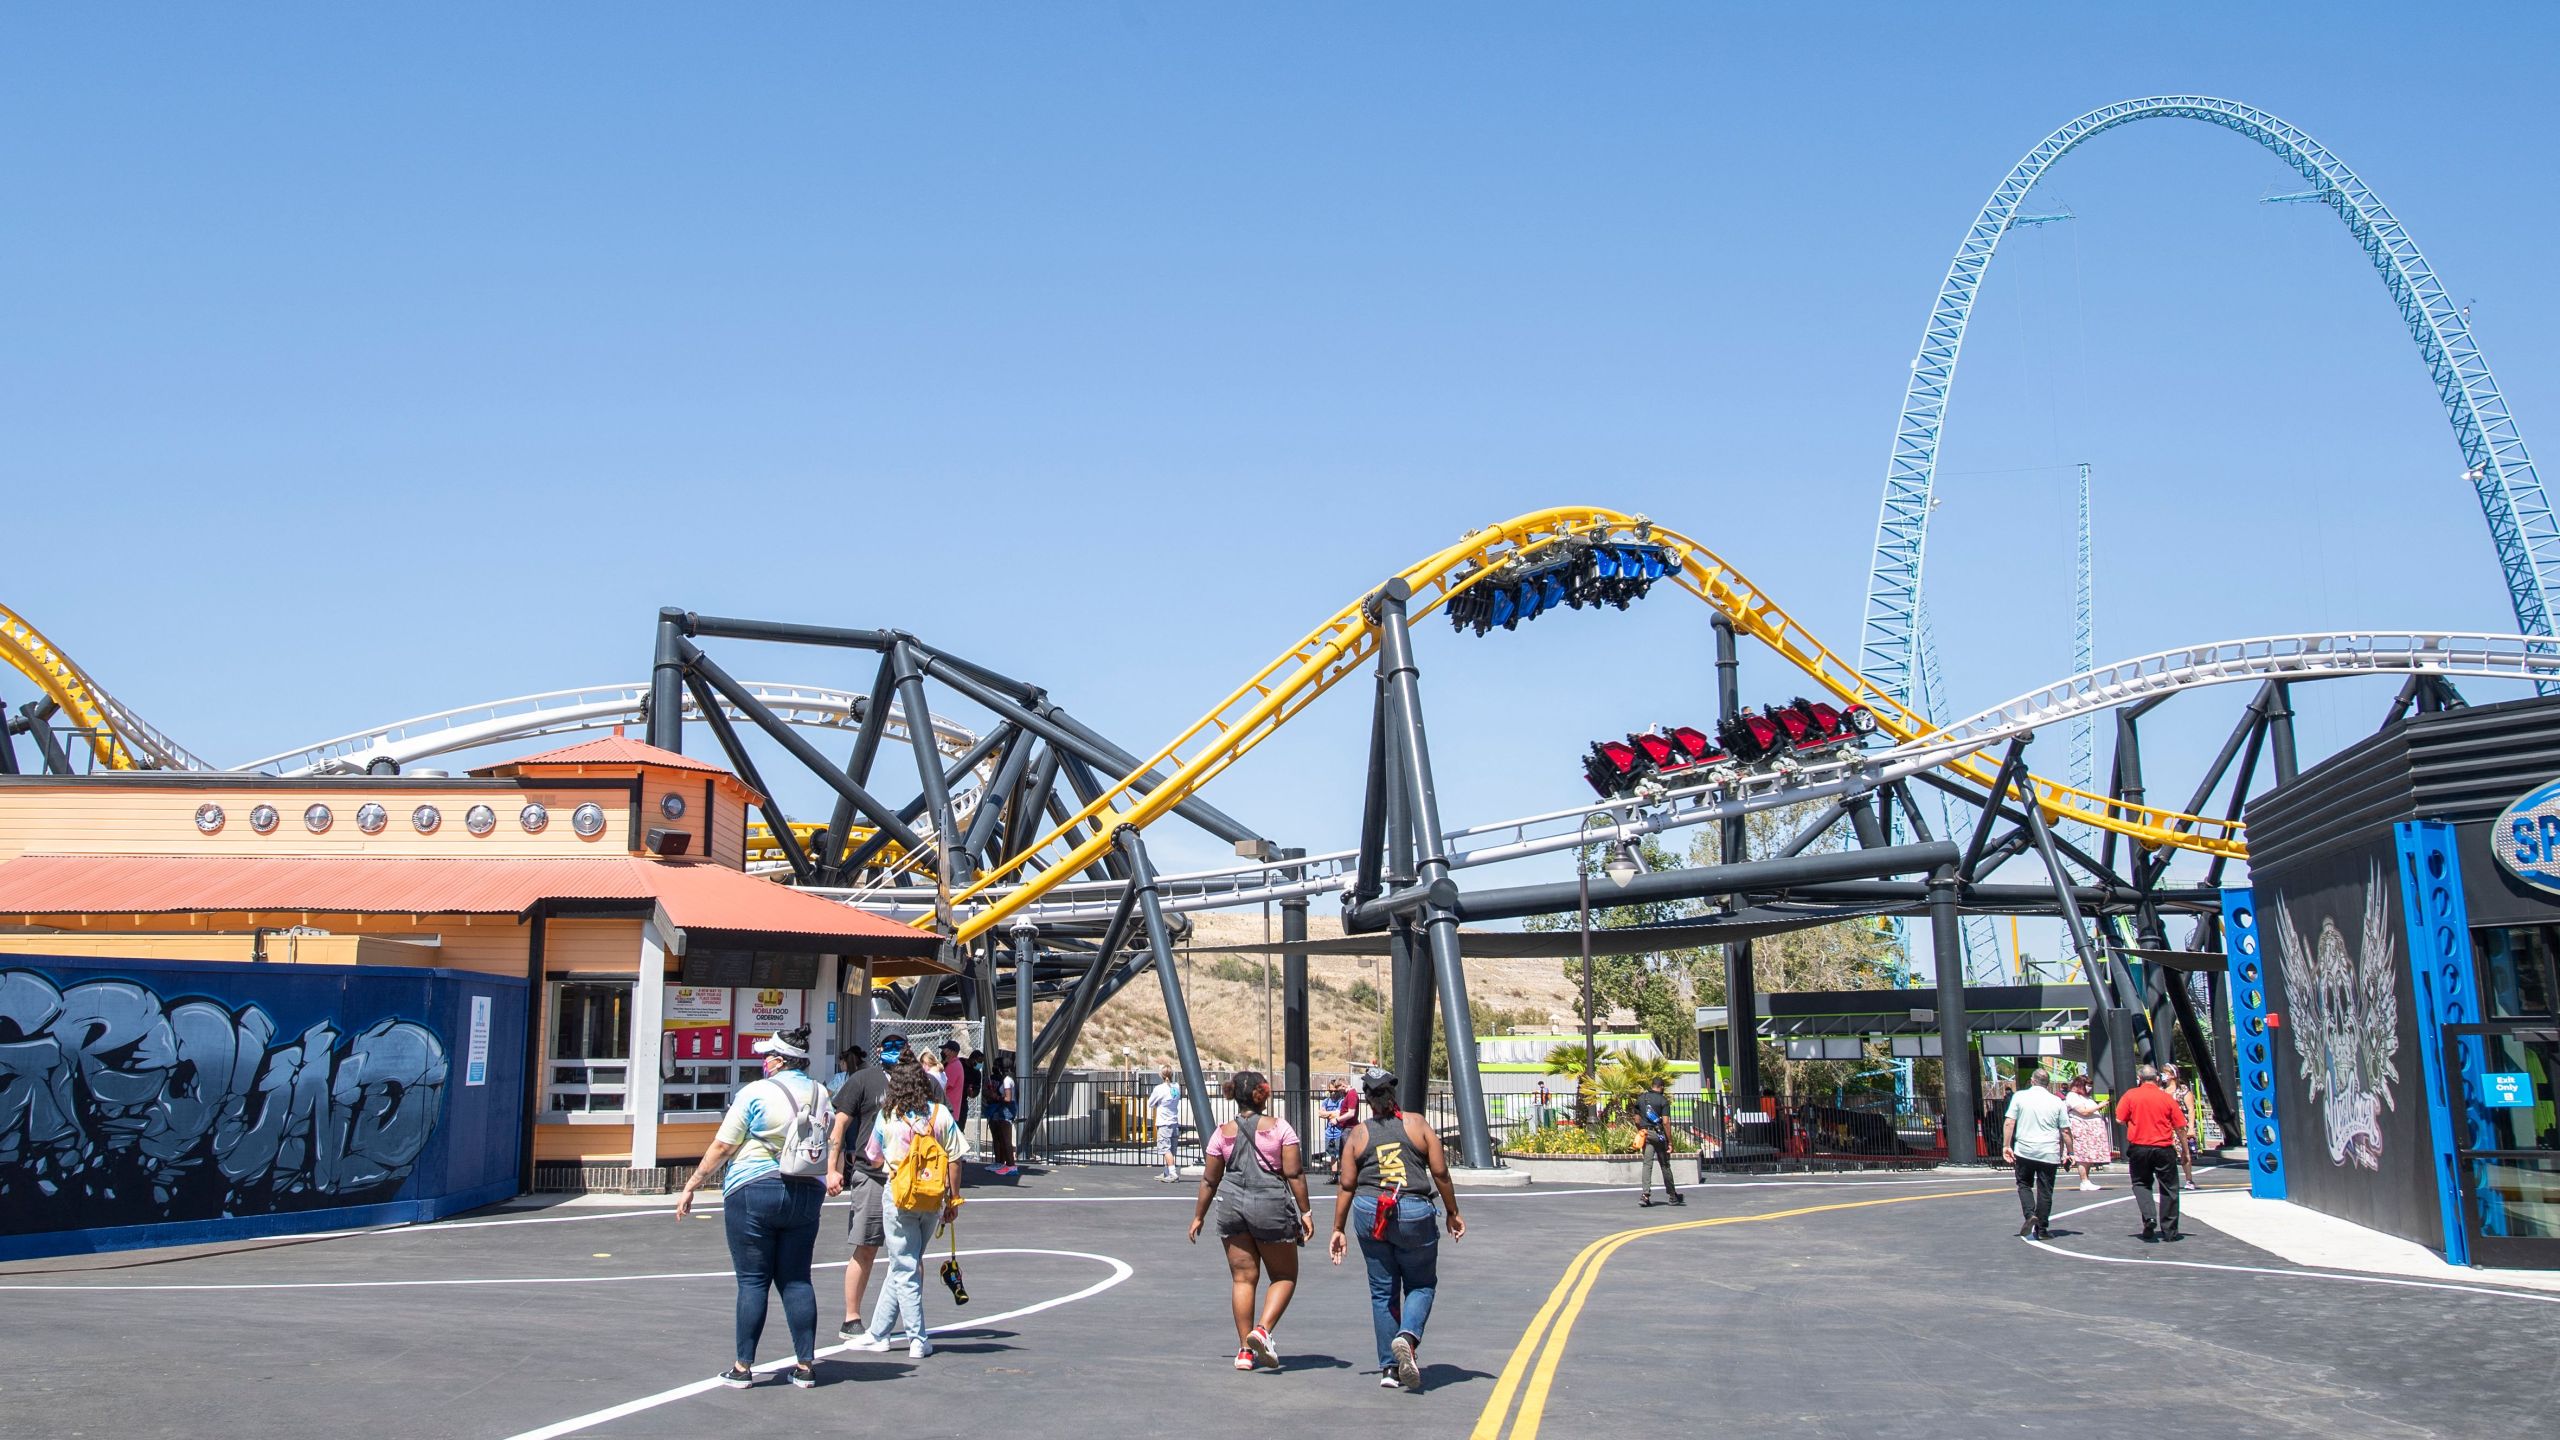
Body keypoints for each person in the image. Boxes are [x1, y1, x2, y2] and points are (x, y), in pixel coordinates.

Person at [674, 1026, 828, 1391]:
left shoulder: (755, 1092)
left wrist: (693, 1183)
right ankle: (805, 1365)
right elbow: (830, 1137)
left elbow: (724, 1146)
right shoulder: (822, 1093)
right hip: (806, 1190)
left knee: (753, 1280)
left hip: (753, 1187)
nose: (763, 1061)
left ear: (777, 1060)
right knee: (797, 1278)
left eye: (766, 1056)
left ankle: (743, 1367)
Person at [1329, 1067, 1465, 1392]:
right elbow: (1441, 1173)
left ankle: (1389, 1369)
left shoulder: (1358, 1134)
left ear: (1367, 1098)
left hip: (1369, 1211)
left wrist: (1338, 1228)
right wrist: (1452, 1212)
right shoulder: (1417, 1124)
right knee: (1420, 1284)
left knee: (1382, 1290)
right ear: (1393, 1094)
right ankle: (1406, 1336)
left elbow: (1347, 1185)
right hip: (1413, 1212)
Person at [1188, 1070, 1315, 1371]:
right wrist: (1305, 1211)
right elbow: (1294, 1173)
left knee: (1243, 1278)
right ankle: (1262, 1329)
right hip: (1269, 1203)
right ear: (1263, 1094)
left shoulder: (1222, 1132)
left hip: (1231, 1204)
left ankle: (1245, 1350)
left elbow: (1209, 1179)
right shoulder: (1280, 1128)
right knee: (1284, 1276)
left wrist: (1198, 1216)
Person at [844, 1055, 969, 1359]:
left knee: (904, 1265)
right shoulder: (940, 1114)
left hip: (899, 1196)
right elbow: (955, 1157)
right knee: (907, 1262)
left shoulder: (887, 1117)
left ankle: (917, 1337)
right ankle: (880, 1332)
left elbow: (872, 1156)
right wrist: (952, 1198)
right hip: (932, 1197)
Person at [825, 1040, 893, 1344]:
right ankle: (851, 1317)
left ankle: (907, 1320)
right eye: (891, 1047)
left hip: (910, 1179)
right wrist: (832, 1169)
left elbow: (941, 1127)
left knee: (909, 1253)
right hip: (872, 1175)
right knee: (866, 1245)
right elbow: (839, 1125)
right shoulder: (864, 1080)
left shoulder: (923, 1082)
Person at [2115, 1063, 2191, 1242]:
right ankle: (2170, 1231)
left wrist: (2133, 1121)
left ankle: (2149, 1217)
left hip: (2139, 1146)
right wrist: (2185, 1150)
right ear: (2157, 1079)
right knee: (2169, 1188)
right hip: (2163, 1147)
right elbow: (2180, 1126)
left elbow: (2119, 1118)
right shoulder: (2166, 1098)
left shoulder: (2131, 1095)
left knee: (2141, 1183)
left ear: (2139, 1079)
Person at [2001, 1068, 2068, 1241]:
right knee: (2045, 1190)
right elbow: (2065, 1130)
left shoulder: (2020, 1097)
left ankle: (2030, 1214)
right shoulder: (2057, 1101)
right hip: (2049, 1151)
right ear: (2047, 1083)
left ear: (2032, 1081)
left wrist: (2006, 1145)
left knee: (2024, 1184)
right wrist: (2071, 1151)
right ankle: (2043, 1229)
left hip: (2025, 1150)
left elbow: (2009, 1122)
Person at [1633, 1076, 1684, 1207]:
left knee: (1647, 1164)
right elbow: (1666, 1122)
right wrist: (1670, 1142)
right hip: (1658, 1135)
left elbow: (1637, 1120)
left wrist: (1641, 1130)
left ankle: (1645, 1195)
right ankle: (1672, 1196)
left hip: (1646, 1134)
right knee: (1664, 1164)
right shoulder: (1662, 1100)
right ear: (1661, 1087)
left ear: (1652, 1085)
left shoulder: (1641, 1098)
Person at [2063, 1073, 2113, 1191]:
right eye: (2087, 1085)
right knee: (2083, 1157)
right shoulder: (2073, 1096)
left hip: (2091, 1132)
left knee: (2088, 1157)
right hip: (2082, 1130)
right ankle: (2084, 1180)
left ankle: (2087, 1180)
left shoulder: (2086, 1097)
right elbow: (2083, 1111)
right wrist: (2099, 1106)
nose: (2089, 1088)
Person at [2160, 1062, 2200, 1188]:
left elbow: (2191, 1109)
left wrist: (2191, 1127)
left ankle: (2189, 1179)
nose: (2163, 1075)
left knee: (2185, 1152)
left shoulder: (2183, 1090)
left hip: (2181, 1126)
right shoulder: (2162, 1091)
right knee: (2168, 1153)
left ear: (2172, 1075)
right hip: (2166, 1125)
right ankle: (2170, 1180)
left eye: (2166, 1073)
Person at [982, 1051, 1019, 1175]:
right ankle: (1002, 1163)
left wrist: (996, 1097)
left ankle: (1011, 1165)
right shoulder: (1005, 1079)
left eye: (996, 1066)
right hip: (1002, 1109)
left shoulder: (1007, 1080)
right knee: (999, 1138)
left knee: (1006, 1140)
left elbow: (1008, 1098)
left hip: (1006, 1110)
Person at [1149, 1066, 1186, 1182]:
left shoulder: (1159, 1089)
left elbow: (1150, 1103)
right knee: (1171, 1149)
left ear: (1161, 1075)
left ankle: (1173, 1174)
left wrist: (1157, 1104)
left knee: (1165, 1149)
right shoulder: (1176, 1087)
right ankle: (1166, 1172)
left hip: (1164, 1123)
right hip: (1174, 1122)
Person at [1319, 1079, 1350, 1165]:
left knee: (1342, 1155)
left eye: (1335, 1091)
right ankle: (1334, 1175)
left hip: (1340, 1132)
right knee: (1332, 1155)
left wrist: (1328, 1114)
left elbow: (1339, 1114)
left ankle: (1343, 1174)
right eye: (1330, 1091)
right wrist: (1332, 1113)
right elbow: (1321, 1113)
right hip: (1329, 1132)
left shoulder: (1342, 1101)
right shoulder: (1326, 1101)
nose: (1332, 1093)